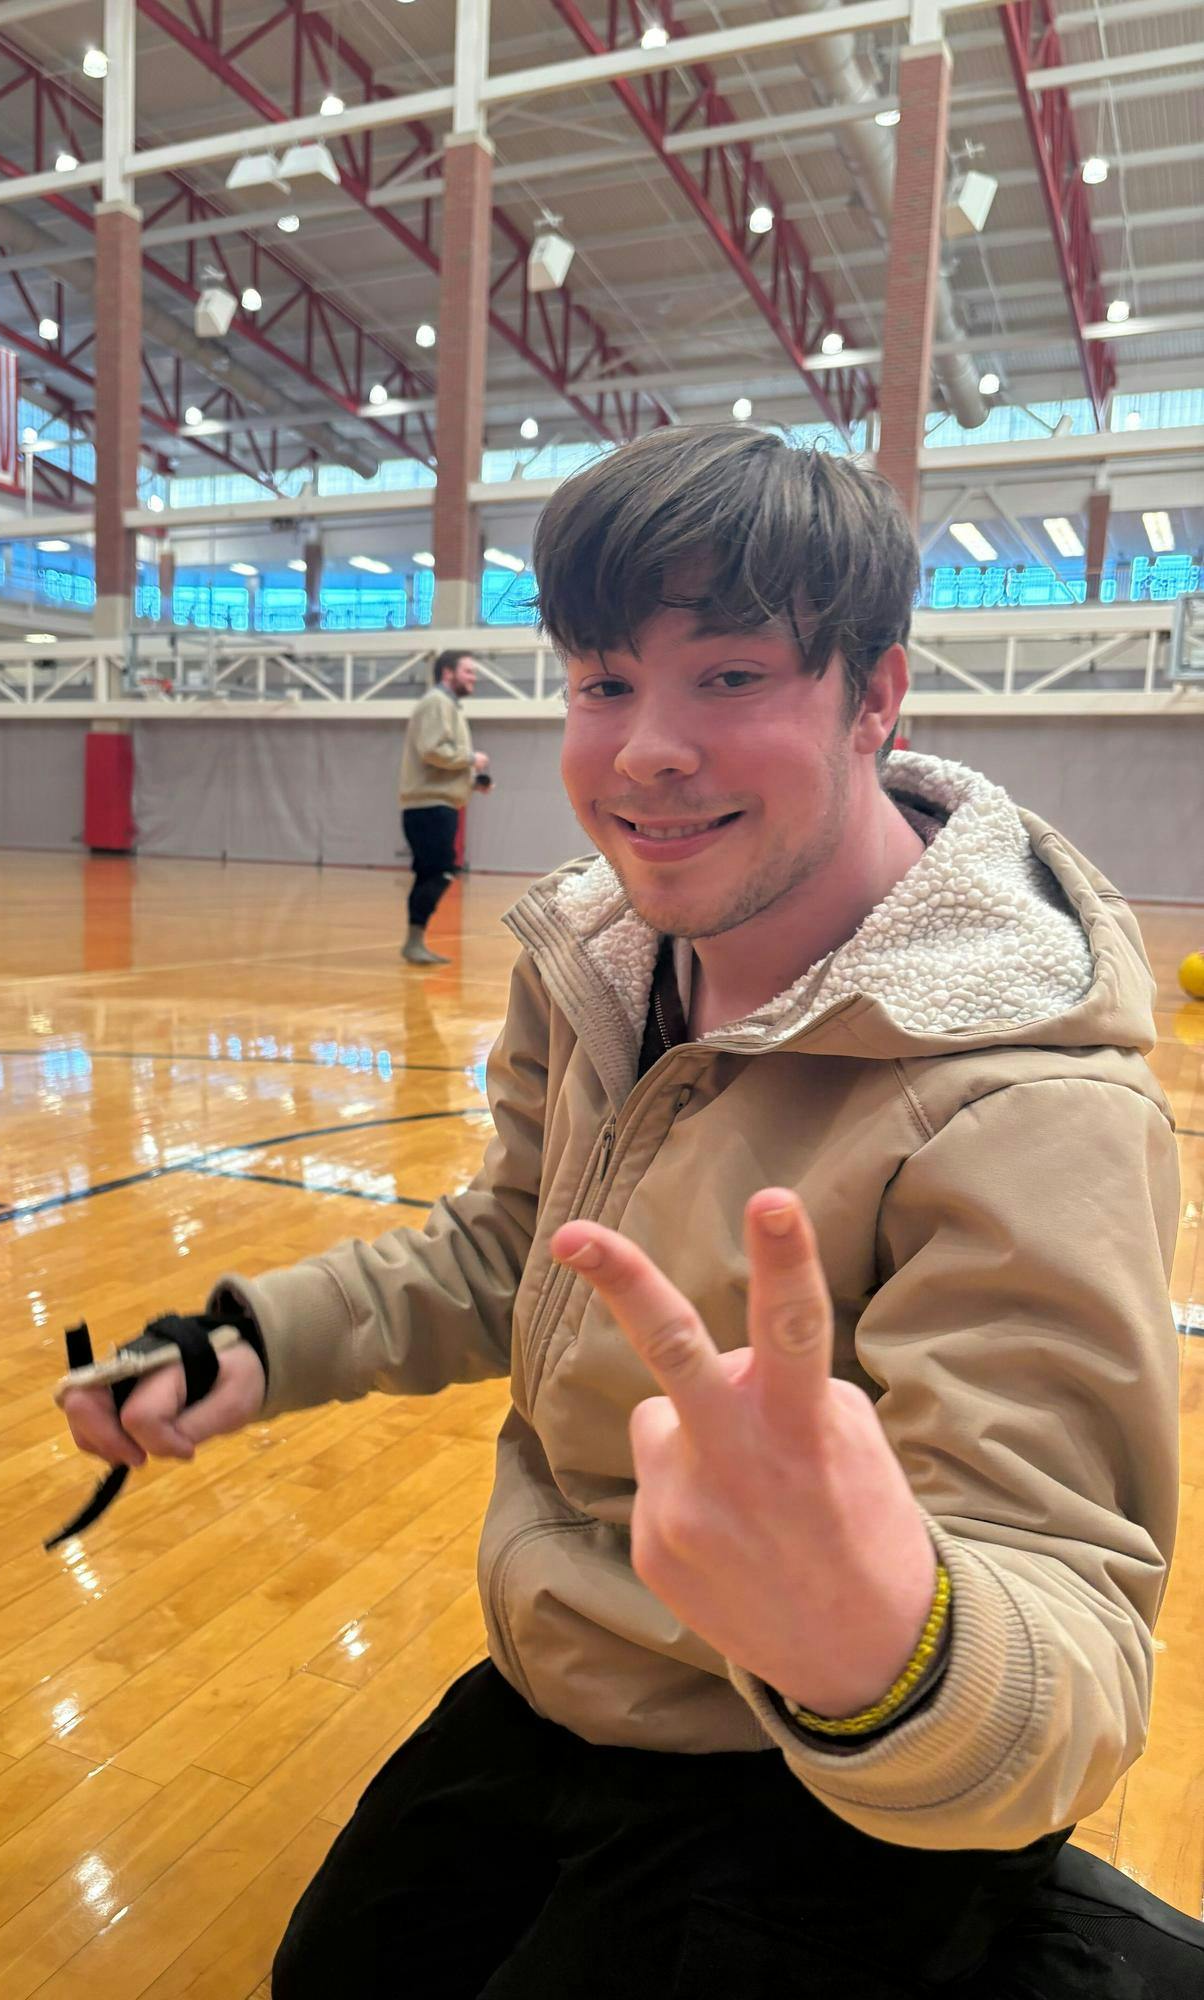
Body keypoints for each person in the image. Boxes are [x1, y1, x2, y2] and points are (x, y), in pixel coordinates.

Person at [60, 426, 1203, 1997]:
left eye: (730, 677)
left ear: (878, 693)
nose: (647, 747)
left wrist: (883, 1637)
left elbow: (1071, 1635)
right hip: (577, 1677)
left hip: (823, 1764)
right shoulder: (602, 961)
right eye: (605, 682)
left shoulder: (1029, 1106)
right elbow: (509, 1246)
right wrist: (254, 1347)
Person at [397, 648, 490, 964]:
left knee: (434, 873)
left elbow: (439, 757)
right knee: (437, 873)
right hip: (429, 807)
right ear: (447, 673)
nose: (473, 677)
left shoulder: (448, 706)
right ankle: (413, 942)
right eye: (468, 671)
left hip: (439, 804)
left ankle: (415, 941)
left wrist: (473, 780)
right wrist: (470, 759)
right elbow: (433, 750)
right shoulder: (436, 703)